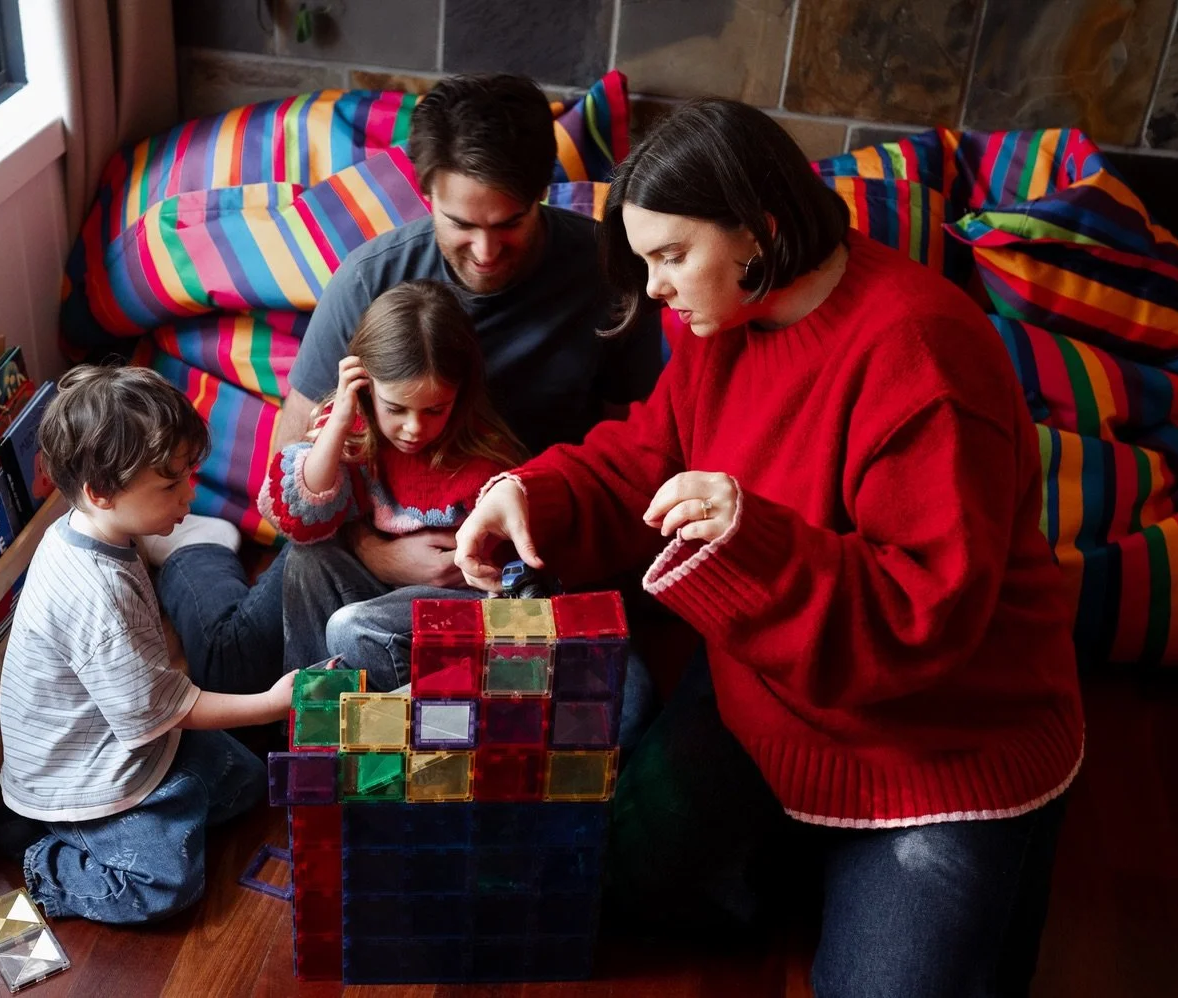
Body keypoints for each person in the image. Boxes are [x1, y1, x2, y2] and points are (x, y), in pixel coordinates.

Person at [453, 97, 1085, 996]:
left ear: (760, 231)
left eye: (672, 257)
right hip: (769, 686)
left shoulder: (924, 354)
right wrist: (531, 493)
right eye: (645, 262)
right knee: (613, 891)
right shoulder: (723, 323)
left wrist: (752, 540)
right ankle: (784, 858)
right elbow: (649, 455)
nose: (657, 289)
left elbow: (924, 618)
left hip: (935, 746)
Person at [141, 72, 661, 707]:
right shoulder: (372, 281)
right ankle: (200, 553)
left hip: (523, 554)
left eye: (512, 221)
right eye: (462, 222)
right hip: (370, 538)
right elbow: (290, 477)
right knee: (229, 668)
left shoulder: (607, 272)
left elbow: (627, 449)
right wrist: (376, 553)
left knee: (625, 710)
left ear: (542, 193)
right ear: (425, 194)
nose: (488, 249)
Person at [0, 365, 297, 924]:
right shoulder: (96, 596)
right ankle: (44, 852)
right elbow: (164, 712)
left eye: (187, 475)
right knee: (167, 885)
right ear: (100, 493)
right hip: (85, 775)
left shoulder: (88, 529)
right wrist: (275, 702)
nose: (189, 495)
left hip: (128, 740)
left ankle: (160, 811)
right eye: (170, 484)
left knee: (247, 784)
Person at [259, 280, 524, 684]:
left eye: (435, 410)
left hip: (460, 607)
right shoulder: (355, 438)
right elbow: (297, 519)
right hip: (378, 589)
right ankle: (309, 716)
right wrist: (341, 420)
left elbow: (510, 580)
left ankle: (397, 723)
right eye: (396, 408)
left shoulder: (485, 458)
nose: (414, 428)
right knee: (305, 560)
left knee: (351, 627)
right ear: (365, 386)